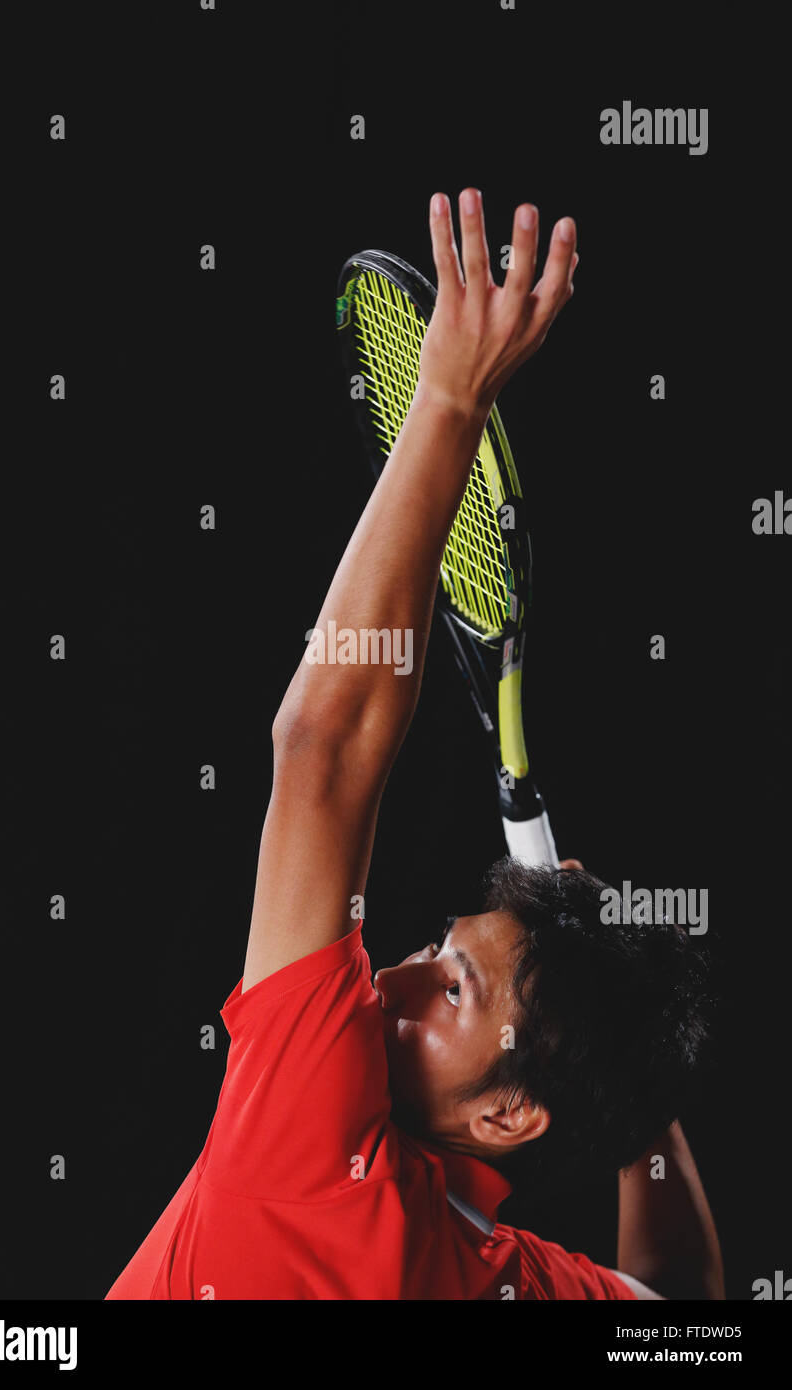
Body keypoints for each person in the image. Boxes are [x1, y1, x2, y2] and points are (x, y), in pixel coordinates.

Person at [105, 189, 723, 1300]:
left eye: (448, 989)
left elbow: (321, 749)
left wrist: (446, 397)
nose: (387, 979)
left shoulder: (312, 1171)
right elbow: (677, 1299)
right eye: (436, 951)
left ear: (506, 1113)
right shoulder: (504, 1282)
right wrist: (619, 1070)